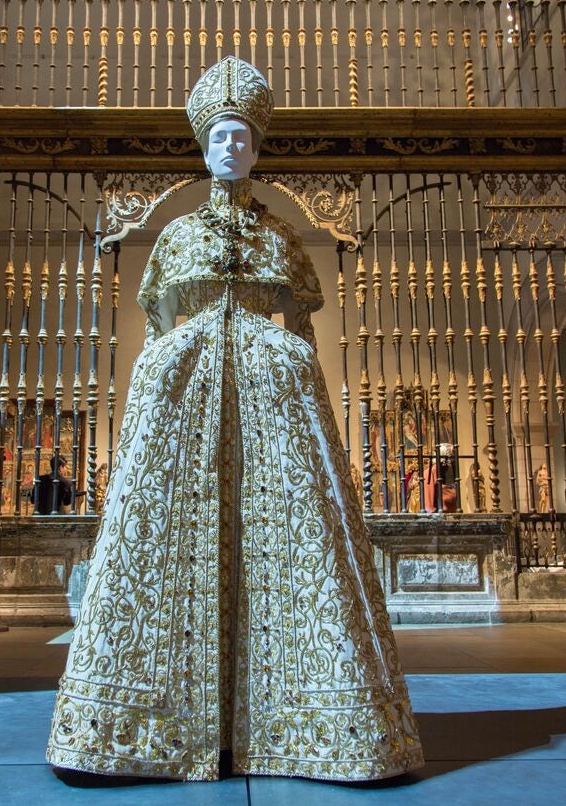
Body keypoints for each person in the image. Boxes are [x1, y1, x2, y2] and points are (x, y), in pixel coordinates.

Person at [47, 57, 423, 782]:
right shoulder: (176, 237)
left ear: (257, 147)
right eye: (219, 135)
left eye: (242, 138)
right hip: (183, 400)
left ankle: (305, 719)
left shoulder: (282, 236)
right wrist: (172, 365)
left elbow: (300, 320)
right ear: (202, 143)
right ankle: (144, 723)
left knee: (294, 534)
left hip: (273, 405)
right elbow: (160, 322)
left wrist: (279, 358)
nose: (230, 148)